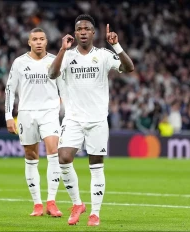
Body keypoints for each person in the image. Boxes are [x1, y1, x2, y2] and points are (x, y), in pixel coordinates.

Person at [48, 14, 134, 226]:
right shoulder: (67, 55)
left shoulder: (104, 55)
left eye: (87, 29)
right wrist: (62, 49)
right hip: (73, 119)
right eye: (79, 29)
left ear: (93, 33)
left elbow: (129, 68)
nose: (83, 32)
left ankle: (95, 213)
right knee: (63, 158)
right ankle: (78, 203)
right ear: (75, 33)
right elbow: (52, 74)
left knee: (96, 165)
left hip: (97, 120)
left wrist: (117, 46)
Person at [5, 28, 63, 217]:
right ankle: (37, 203)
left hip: (49, 113)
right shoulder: (20, 63)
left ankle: (51, 202)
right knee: (31, 155)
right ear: (29, 42)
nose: (38, 42)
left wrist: (68, 113)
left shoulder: (55, 61)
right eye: (35, 39)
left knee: (53, 151)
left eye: (42, 39)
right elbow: (10, 90)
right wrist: (8, 116)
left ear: (46, 42)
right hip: (26, 113)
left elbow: (65, 90)